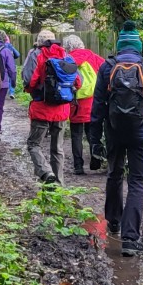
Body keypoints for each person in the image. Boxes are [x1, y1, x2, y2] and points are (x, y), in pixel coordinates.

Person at [89, 20, 143, 257]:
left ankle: (114, 221)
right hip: (142, 132)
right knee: (137, 182)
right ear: (138, 46)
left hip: (114, 131)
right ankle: (130, 238)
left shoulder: (107, 67)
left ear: (119, 46)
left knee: (114, 175)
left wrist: (95, 140)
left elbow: (97, 107)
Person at [21, 29, 81, 184]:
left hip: (41, 108)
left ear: (39, 42)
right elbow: (78, 81)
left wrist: (33, 90)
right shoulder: (66, 56)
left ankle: (46, 173)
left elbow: (28, 80)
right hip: (62, 110)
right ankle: (58, 185)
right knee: (57, 148)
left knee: (34, 144)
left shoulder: (36, 55)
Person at [63, 34, 105, 175]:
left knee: (76, 134)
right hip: (93, 100)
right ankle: (95, 159)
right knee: (92, 133)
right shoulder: (92, 56)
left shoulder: (68, 60)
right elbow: (106, 70)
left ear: (67, 47)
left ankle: (78, 166)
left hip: (76, 101)